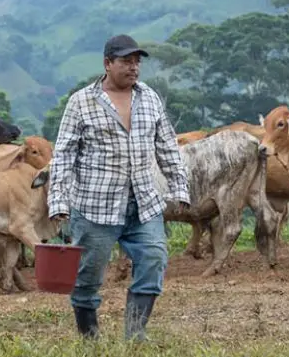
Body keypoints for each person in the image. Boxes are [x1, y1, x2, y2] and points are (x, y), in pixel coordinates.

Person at [47, 34, 190, 340]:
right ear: (107, 64)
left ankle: (135, 334)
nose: (134, 68)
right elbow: (63, 155)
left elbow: (166, 145)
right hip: (95, 206)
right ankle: (90, 338)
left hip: (143, 202)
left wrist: (179, 187)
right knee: (87, 277)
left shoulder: (149, 97)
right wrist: (58, 201)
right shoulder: (81, 102)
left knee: (153, 259)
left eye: (137, 62)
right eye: (126, 61)